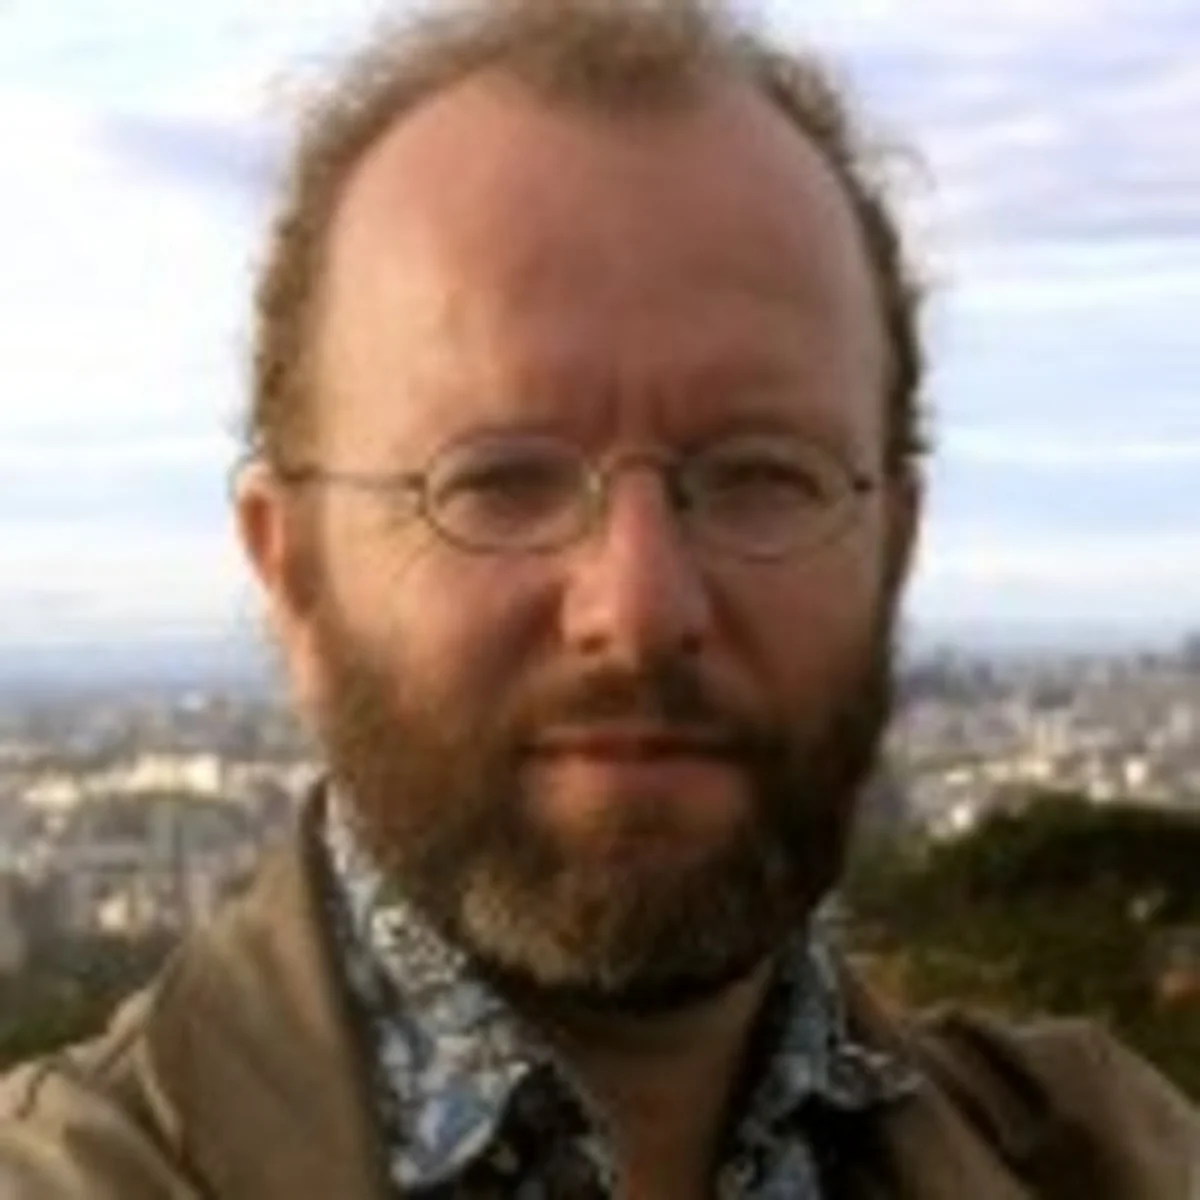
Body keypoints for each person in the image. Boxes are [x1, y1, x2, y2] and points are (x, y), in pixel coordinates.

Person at [2, 0, 1198, 1195]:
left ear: (894, 545)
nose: (639, 608)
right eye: (498, 482)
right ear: (292, 571)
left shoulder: (1107, 1155)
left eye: (761, 476)